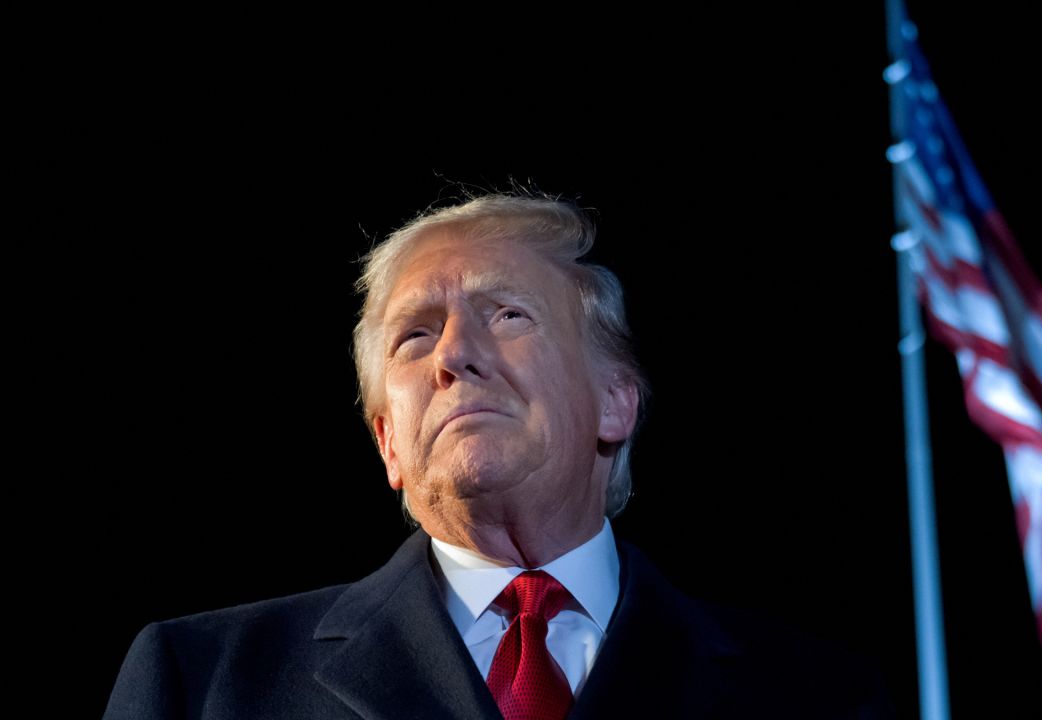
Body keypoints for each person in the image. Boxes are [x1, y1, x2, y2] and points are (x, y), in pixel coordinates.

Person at [104, 192, 891, 719]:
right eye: (416, 335)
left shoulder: (819, 693)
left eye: (507, 314)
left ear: (617, 401)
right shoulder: (202, 680)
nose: (454, 356)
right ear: (389, 445)